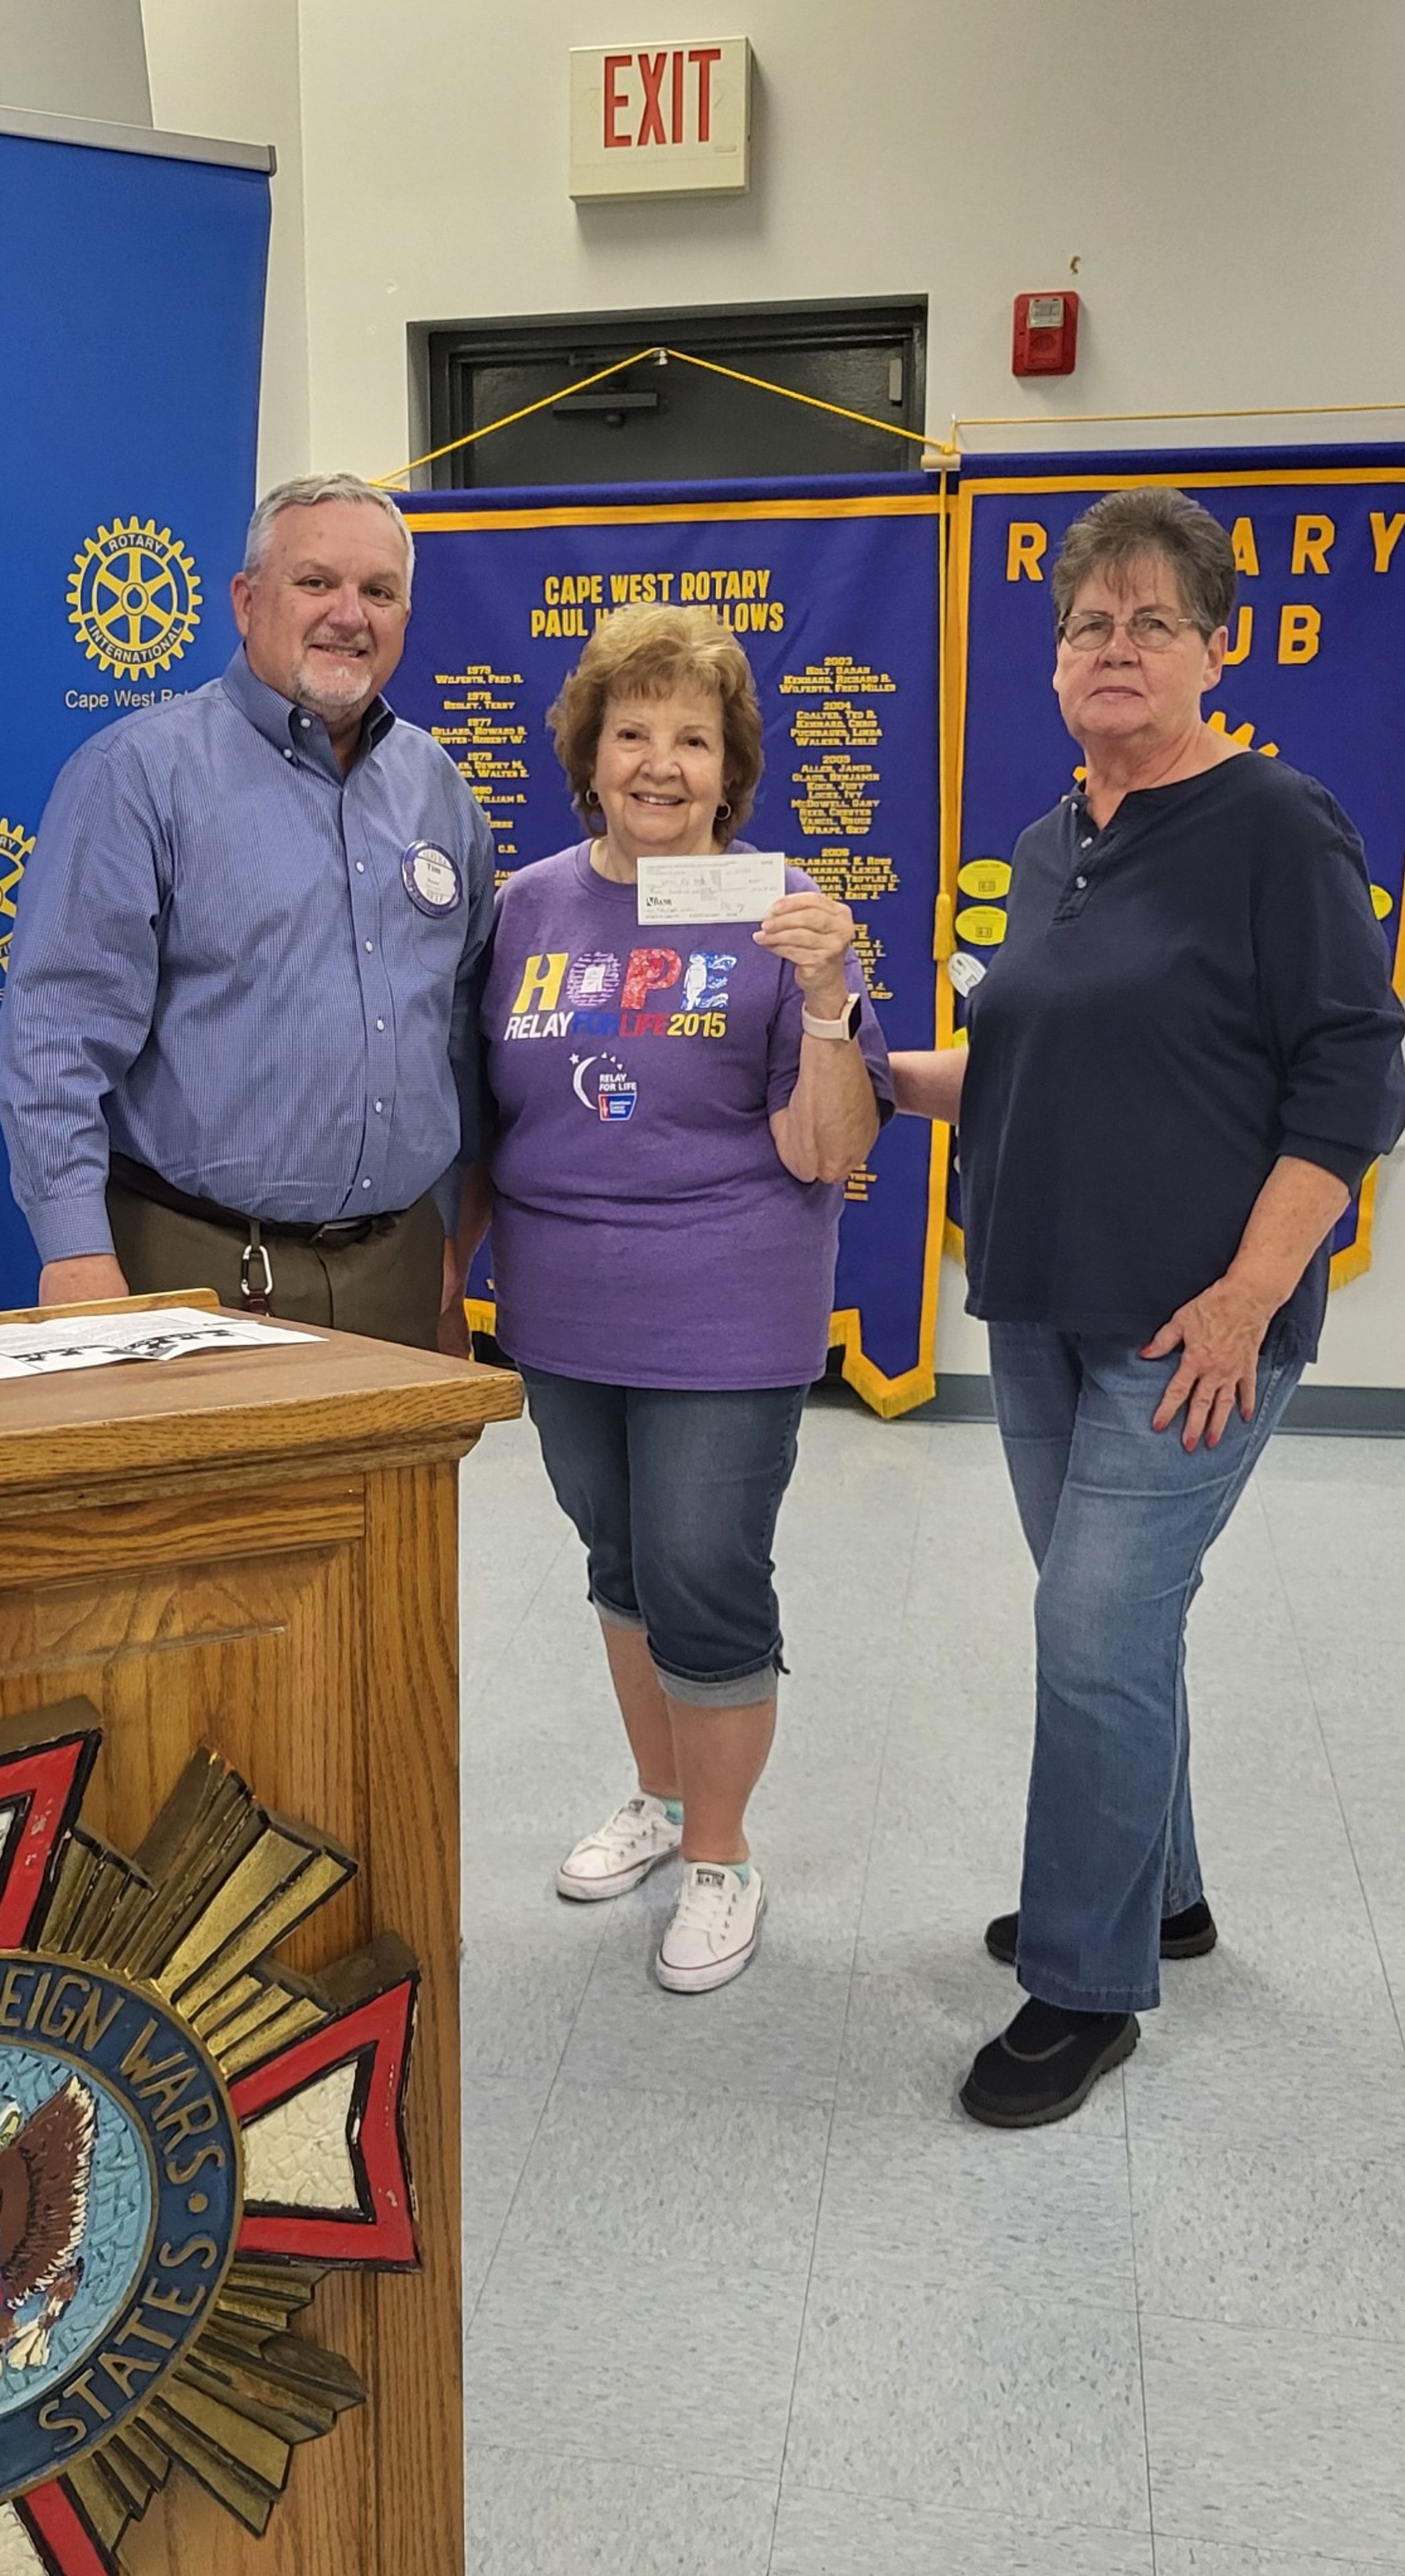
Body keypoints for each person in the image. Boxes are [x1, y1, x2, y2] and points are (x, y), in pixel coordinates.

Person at [885, 486, 1405, 2126]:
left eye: (1152, 623)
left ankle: (1084, 1986)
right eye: (1087, 626)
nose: (1116, 649)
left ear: (1218, 649)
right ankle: (1158, 1896)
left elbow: (1356, 1076)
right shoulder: (1055, 846)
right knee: (1116, 1627)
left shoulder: (1275, 825)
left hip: (1198, 1324)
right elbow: (1025, 1059)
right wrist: (858, 1064)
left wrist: (1256, 1294)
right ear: (1054, 667)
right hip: (1037, 1299)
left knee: (1093, 1627)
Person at [473, 604, 890, 1992]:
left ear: (731, 768)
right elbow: (483, 1116)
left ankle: (721, 1855)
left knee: (706, 1572)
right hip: (561, 1307)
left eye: (693, 740)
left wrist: (829, 997)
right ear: (588, 753)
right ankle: (658, 1802)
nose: (661, 763)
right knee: (622, 1565)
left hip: (727, 1308)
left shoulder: (781, 913)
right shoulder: (525, 908)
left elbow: (829, 1151)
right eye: (633, 732)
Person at [0, 472, 495, 1350]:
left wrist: (448, 1228)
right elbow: (57, 1031)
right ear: (246, 599)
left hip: (402, 1270)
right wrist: (74, 1253)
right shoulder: (140, 775)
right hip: (200, 1274)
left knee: (400, 1497)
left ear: (406, 617)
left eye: (379, 592)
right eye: (316, 583)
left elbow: (457, 1022)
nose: (350, 614)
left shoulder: (437, 788)